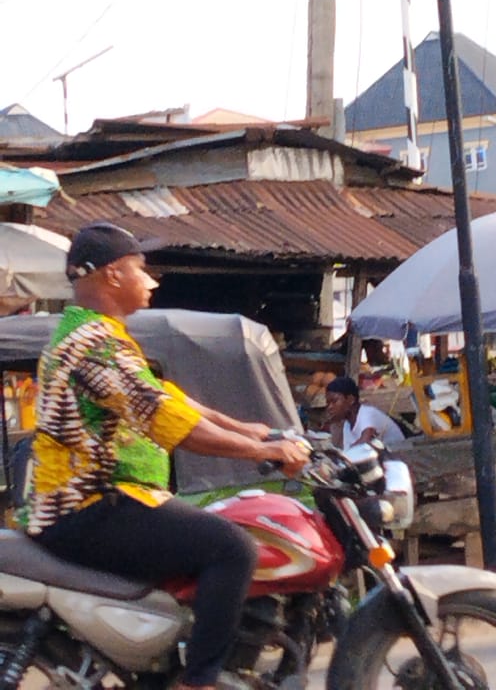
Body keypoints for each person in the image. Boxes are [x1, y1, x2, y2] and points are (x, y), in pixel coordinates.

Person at [22, 222, 308, 690]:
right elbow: (167, 419)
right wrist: (262, 450)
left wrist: (248, 428)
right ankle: (198, 682)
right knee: (233, 548)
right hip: (87, 507)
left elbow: (165, 396)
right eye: (141, 269)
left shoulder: (96, 334)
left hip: (97, 502)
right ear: (113, 274)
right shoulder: (94, 345)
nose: (152, 281)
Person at [323, 375, 406, 452]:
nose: (330, 407)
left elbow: (364, 444)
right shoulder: (347, 426)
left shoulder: (367, 413)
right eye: (328, 403)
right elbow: (349, 453)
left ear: (351, 400)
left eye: (334, 401)